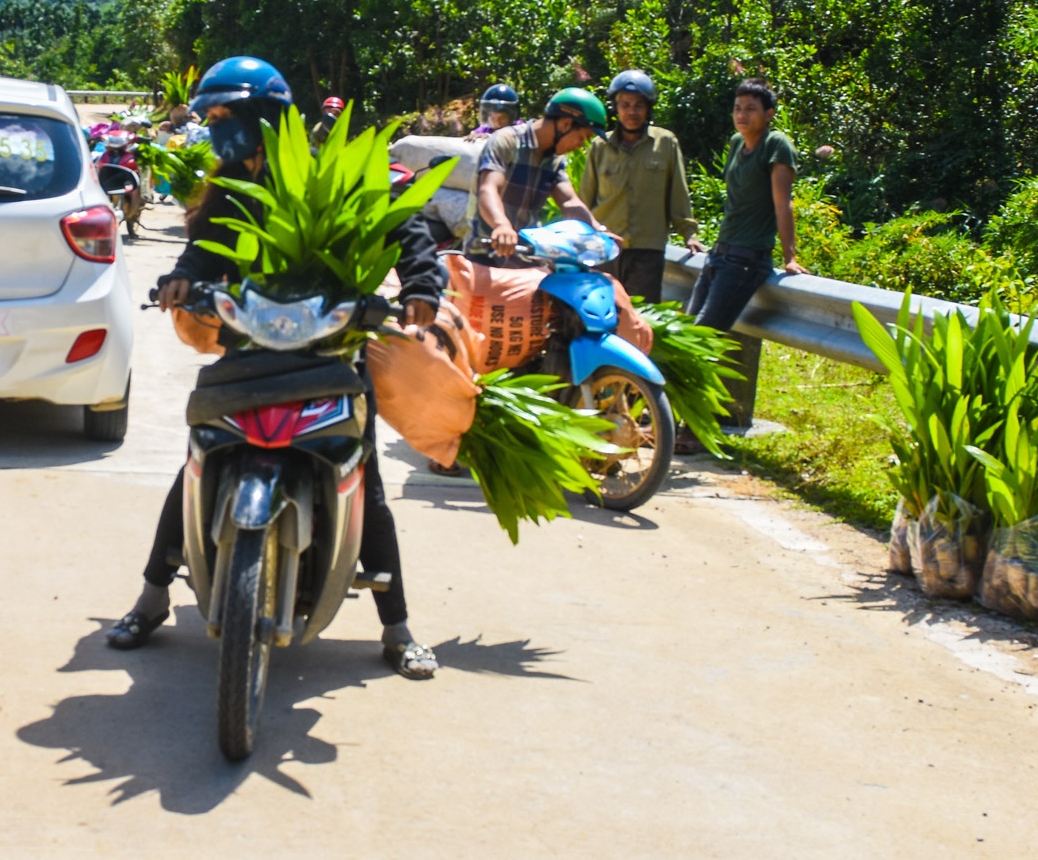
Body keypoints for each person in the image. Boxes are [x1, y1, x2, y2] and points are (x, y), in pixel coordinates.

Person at [108, 56, 447, 679]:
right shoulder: (230, 184)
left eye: (224, 114)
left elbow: (405, 227)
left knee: (364, 480)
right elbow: (202, 251)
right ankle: (153, 597)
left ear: (268, 115)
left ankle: (397, 627)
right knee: (199, 458)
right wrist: (182, 280)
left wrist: (425, 283)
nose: (216, 126)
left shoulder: (328, 171)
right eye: (210, 116)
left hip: (331, 350)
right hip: (252, 348)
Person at [685, 78, 806, 332]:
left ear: (768, 114)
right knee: (684, 329)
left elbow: (782, 204)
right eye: (738, 108)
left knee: (701, 334)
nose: (742, 114)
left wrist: (790, 258)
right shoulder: (736, 143)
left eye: (751, 109)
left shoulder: (776, 144)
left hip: (746, 260)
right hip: (718, 254)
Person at [572, 70, 702, 305]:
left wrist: (689, 233)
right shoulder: (600, 146)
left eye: (638, 105)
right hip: (605, 248)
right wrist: (580, 239)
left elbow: (677, 193)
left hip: (646, 250)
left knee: (640, 317)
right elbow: (584, 199)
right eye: (625, 105)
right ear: (616, 108)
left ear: (648, 108)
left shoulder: (665, 143)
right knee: (600, 313)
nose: (632, 112)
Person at [471, 87, 612, 260]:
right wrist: (502, 226)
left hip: (526, 256)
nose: (580, 146)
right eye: (582, 137)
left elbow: (569, 202)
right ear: (565, 124)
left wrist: (600, 232)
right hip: (486, 253)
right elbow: (488, 189)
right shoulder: (506, 141)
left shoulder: (555, 160)